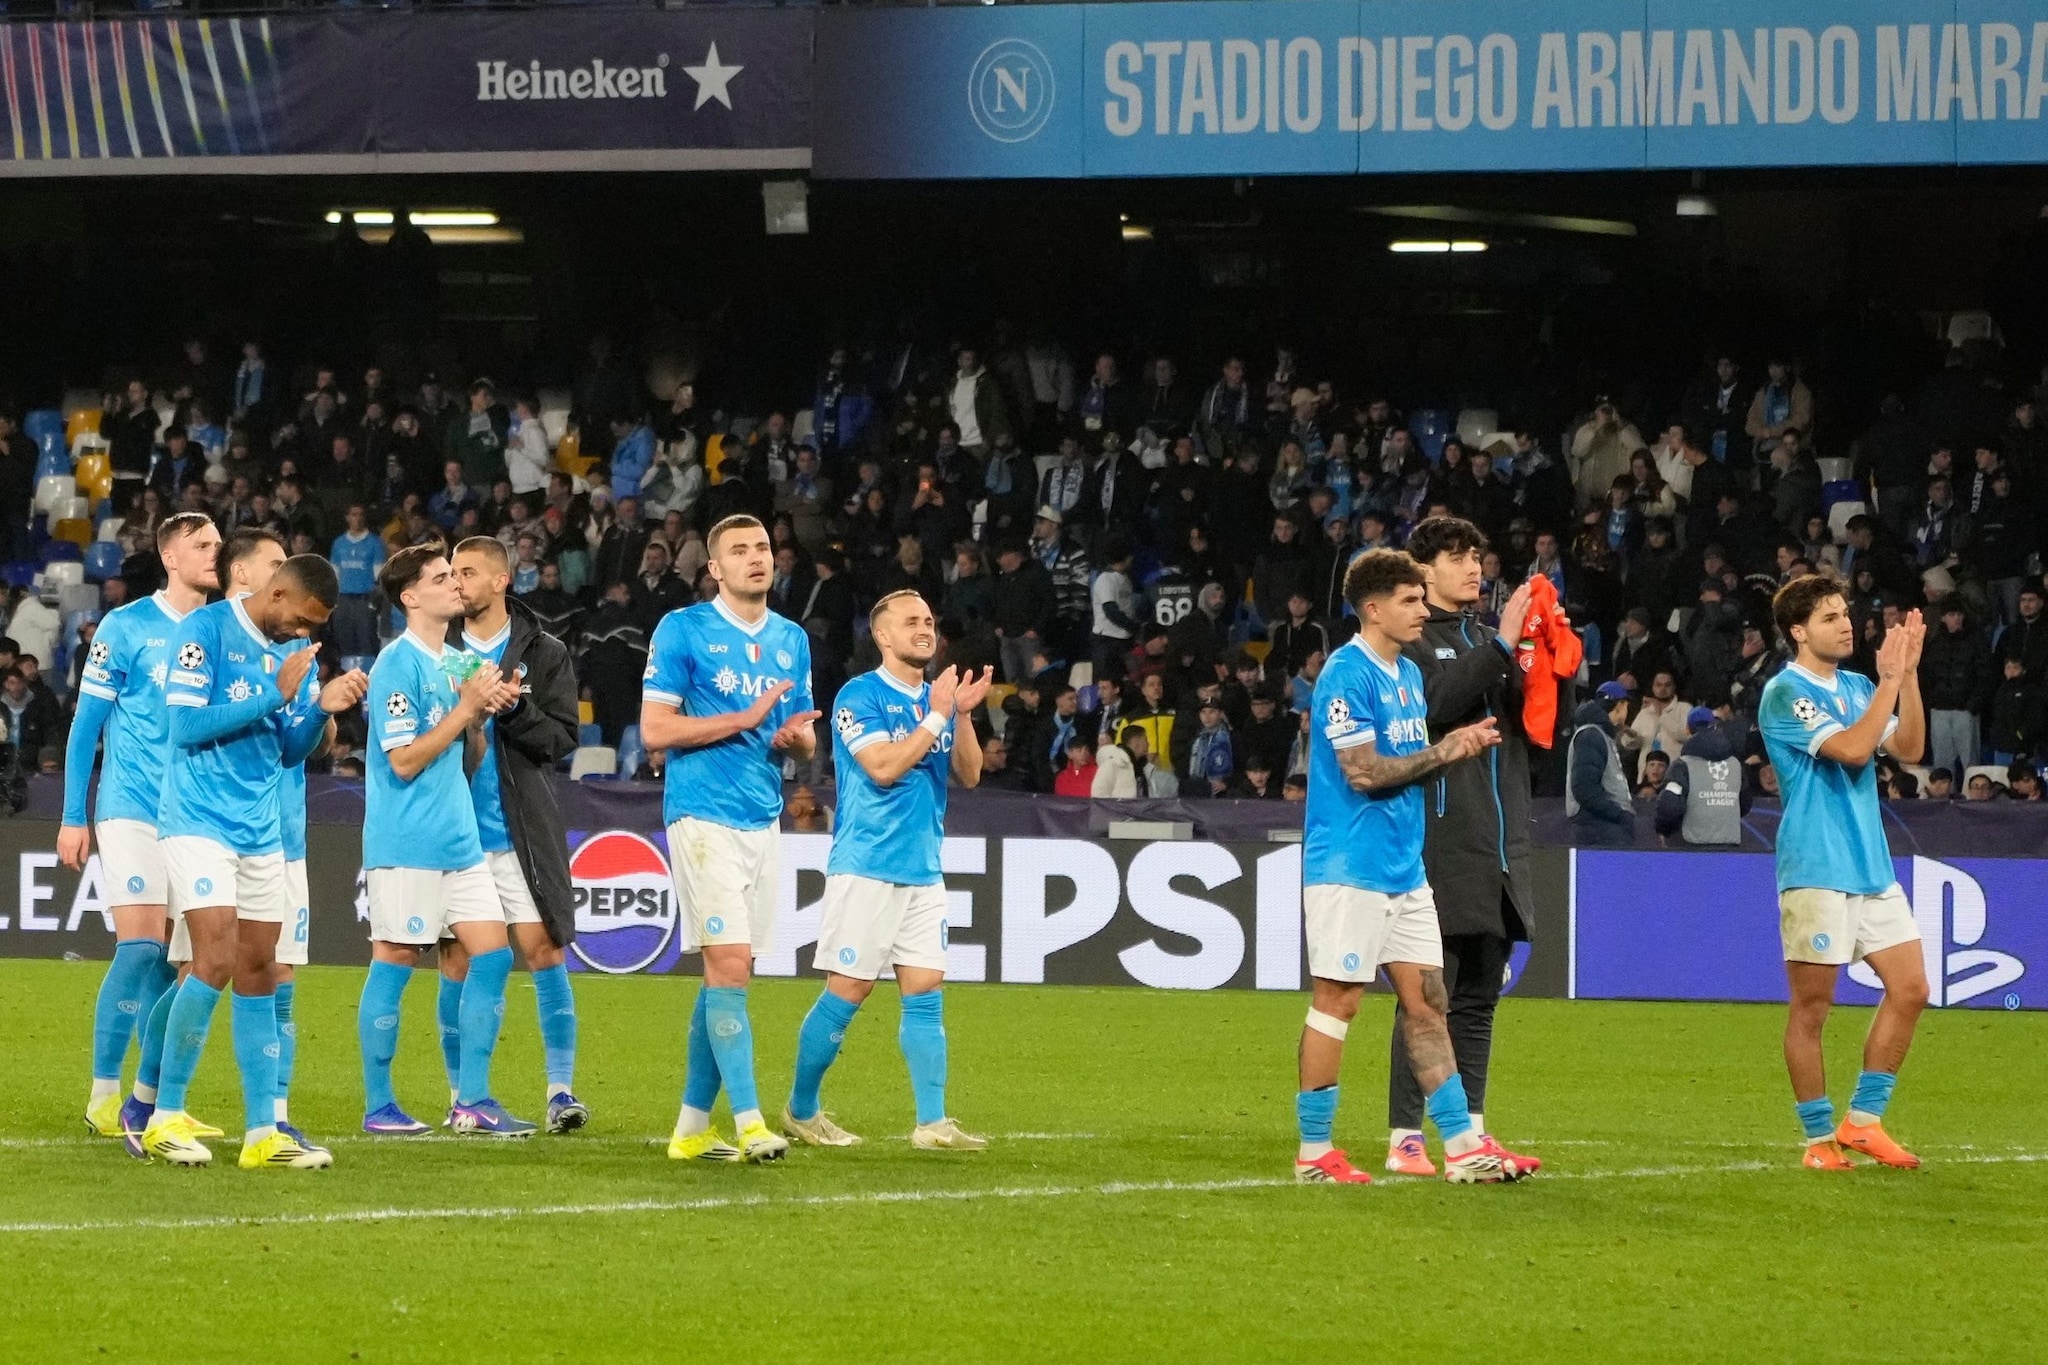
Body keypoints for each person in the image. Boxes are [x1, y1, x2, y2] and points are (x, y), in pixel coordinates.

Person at [1293, 548, 1534, 1186]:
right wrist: (1449, 749)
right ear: (1373, 609)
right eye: (1409, 600)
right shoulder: (1347, 674)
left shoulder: (1402, 674)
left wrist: (1450, 747)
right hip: (1351, 866)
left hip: (1404, 867)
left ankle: (1460, 1145)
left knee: (1428, 1001)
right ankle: (1315, 1152)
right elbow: (1365, 771)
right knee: (1338, 1002)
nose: (1423, 611)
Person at [141, 555, 360, 1170]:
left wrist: (319, 709)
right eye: (302, 617)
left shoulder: (292, 659)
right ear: (279, 591)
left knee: (260, 967)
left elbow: (290, 751)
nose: (303, 630)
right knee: (211, 958)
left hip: (261, 830)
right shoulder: (205, 632)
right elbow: (183, 726)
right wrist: (278, 691)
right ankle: (165, 1116)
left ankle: (263, 1133)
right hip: (197, 822)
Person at [782, 592, 992, 1151]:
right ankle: (800, 1111)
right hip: (868, 866)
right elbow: (880, 768)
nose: (925, 629)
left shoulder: (937, 698)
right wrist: (940, 714)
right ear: (882, 636)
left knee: (925, 992)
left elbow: (969, 775)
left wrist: (962, 713)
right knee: (848, 990)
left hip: (924, 869)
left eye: (929, 621)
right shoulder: (861, 695)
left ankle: (932, 1123)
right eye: (911, 622)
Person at [641, 515, 819, 1165]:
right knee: (730, 960)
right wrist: (740, 719)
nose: (755, 558)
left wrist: (795, 738)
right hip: (701, 813)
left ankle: (691, 1128)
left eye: (764, 548)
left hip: (761, 815)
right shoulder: (683, 629)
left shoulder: (791, 639)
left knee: (731, 967)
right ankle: (749, 1120)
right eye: (739, 551)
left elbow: (804, 733)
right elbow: (655, 729)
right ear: (714, 568)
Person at [355, 546, 531, 1139]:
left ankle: (472, 1100)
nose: (455, 585)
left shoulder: (458, 664)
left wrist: (477, 721)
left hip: (460, 840)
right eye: (440, 578)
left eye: (455, 575)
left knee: (495, 954)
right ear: (410, 597)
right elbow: (403, 761)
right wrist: (466, 710)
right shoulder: (394, 665)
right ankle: (379, 1104)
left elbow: (467, 760)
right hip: (407, 841)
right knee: (398, 960)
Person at [1383, 516, 1540, 1179]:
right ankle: (1406, 1135)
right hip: (1442, 835)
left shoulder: (1483, 638)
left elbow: (1532, 724)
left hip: (1499, 836)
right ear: (1422, 571)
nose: (1474, 566)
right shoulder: (1412, 642)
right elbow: (1436, 701)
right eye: (1456, 557)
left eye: (1477, 555)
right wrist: (1504, 645)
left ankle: (1469, 1133)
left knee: (1480, 985)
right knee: (1427, 990)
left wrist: (1541, 660)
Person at [1759, 576, 1929, 1170]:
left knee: (1911, 990)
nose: (1846, 624)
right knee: (1813, 1009)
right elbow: (1854, 751)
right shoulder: (1786, 693)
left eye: (1846, 613)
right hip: (1816, 866)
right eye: (1830, 617)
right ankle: (1817, 1139)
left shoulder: (1859, 684)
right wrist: (1887, 683)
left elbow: (1908, 748)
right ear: (1799, 632)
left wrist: (1905, 677)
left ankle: (1863, 1123)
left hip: (1870, 865)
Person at [62, 512, 222, 1143]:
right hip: (130, 806)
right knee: (140, 946)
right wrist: (75, 814)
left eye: (217, 544)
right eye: (201, 545)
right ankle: (103, 1095)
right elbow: (85, 728)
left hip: (197, 815)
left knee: (180, 963)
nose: (214, 553)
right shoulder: (126, 627)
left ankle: (153, 1099)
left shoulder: (219, 630)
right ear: (170, 557)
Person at [447, 538, 588, 1133]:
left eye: (469, 572)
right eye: (451, 573)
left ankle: (560, 1092)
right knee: (457, 959)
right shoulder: (438, 647)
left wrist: (513, 711)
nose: (457, 583)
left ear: (502, 580)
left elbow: (562, 740)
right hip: (452, 833)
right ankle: (462, 1098)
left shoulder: (544, 651)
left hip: (517, 830)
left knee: (542, 950)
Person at [1653, 707, 1750, 845]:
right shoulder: (1735, 765)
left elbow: (1670, 806)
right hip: (1729, 847)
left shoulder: (1682, 765)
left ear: (1687, 729)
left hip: (1692, 848)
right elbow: (1745, 803)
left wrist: (1664, 830)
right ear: (1715, 726)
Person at [1566, 682, 1637, 846]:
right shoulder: (1592, 735)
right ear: (1620, 705)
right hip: (1600, 828)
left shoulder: (1601, 735)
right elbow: (1584, 788)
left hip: (1604, 825)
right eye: (1626, 705)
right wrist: (1619, 814)